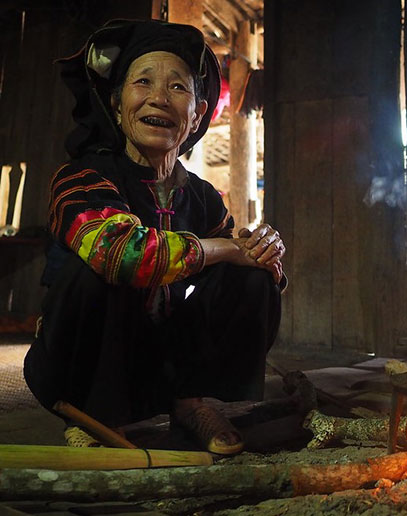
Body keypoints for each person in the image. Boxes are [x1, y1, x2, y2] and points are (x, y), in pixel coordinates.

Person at [23, 19, 285, 455]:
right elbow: (122, 255)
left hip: (157, 361)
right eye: (142, 82)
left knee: (252, 277)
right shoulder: (82, 177)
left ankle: (189, 403)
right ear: (116, 102)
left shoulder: (201, 197)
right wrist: (224, 248)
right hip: (77, 363)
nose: (159, 98)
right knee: (101, 272)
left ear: (198, 114)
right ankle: (97, 417)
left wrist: (264, 254)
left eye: (178, 88)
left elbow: (244, 269)